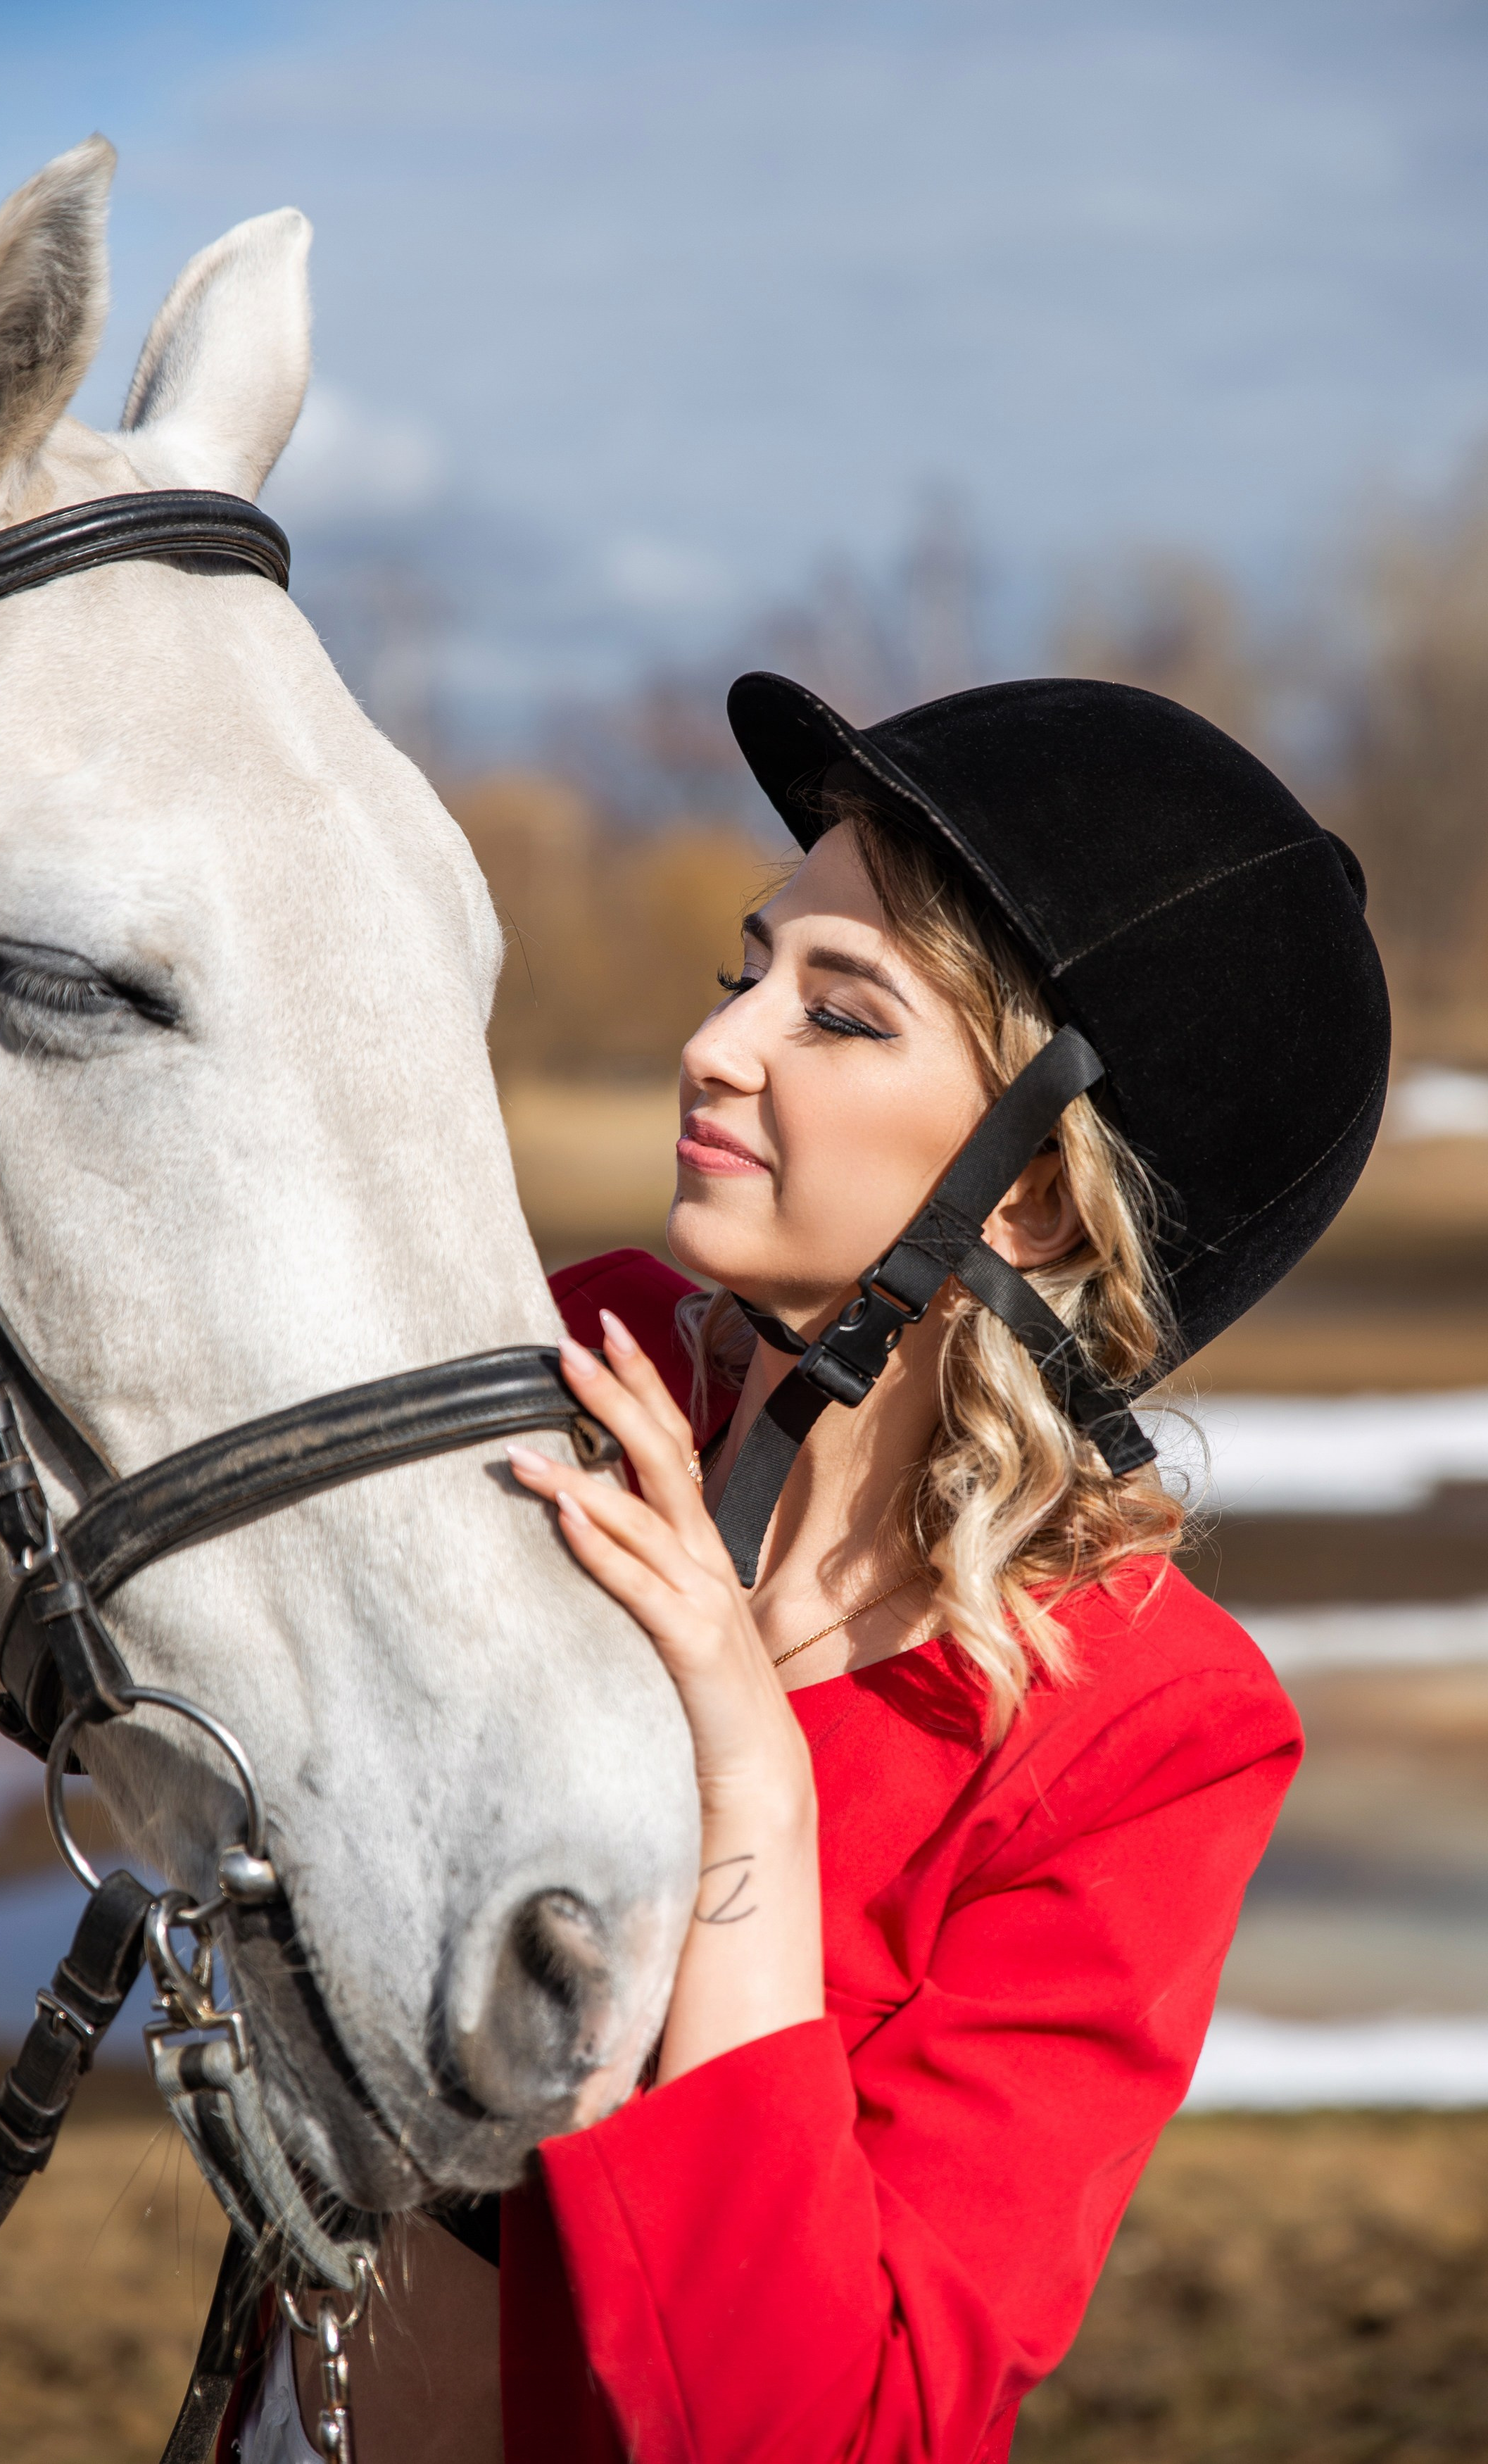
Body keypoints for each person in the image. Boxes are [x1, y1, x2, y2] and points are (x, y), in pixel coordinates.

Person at [245, 670, 1389, 2464]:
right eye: (748, 971)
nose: (718, 1045)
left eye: (839, 1013)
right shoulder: (577, 1362)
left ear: (1034, 1200)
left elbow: (828, 2431)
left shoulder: (1145, 1735)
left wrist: (747, 1794)